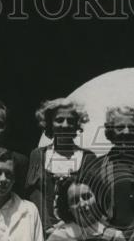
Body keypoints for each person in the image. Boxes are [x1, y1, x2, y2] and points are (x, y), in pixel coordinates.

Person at [24, 98, 97, 233]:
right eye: (59, 120)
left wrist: (69, 226)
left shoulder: (88, 158)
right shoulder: (38, 155)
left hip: (78, 233)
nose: (65, 125)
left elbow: (91, 199)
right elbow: (34, 194)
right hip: (43, 230)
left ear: (77, 125)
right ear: (50, 123)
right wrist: (48, 227)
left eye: (70, 121)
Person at [85, 105, 134, 235]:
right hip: (106, 235)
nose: (126, 132)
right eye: (120, 127)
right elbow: (91, 208)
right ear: (110, 131)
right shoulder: (97, 166)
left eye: (132, 127)